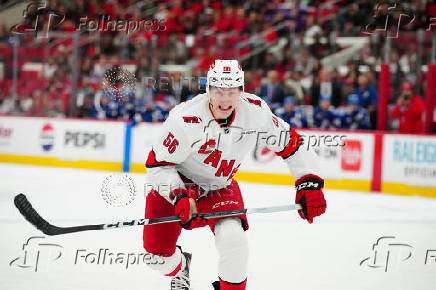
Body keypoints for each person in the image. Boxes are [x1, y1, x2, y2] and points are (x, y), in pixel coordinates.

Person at [143, 60, 326, 290]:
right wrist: (179, 196)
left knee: (234, 241)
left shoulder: (256, 111)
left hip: (220, 186)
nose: (225, 99)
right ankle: (180, 267)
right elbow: (158, 166)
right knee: (157, 259)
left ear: (241, 90)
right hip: (178, 181)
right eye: (219, 91)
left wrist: (309, 182)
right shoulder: (184, 119)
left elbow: (292, 144)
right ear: (208, 89)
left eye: (232, 92)